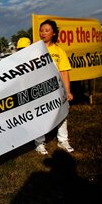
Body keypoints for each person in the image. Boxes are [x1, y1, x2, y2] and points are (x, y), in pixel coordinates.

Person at [34, 20, 74, 155]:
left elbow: (64, 72)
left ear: (54, 33)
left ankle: (63, 140)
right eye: (41, 30)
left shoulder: (59, 51)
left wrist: (67, 91)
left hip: (57, 89)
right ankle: (39, 142)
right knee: (40, 115)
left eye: (46, 30)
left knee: (62, 113)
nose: (43, 33)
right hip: (40, 90)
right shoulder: (35, 50)